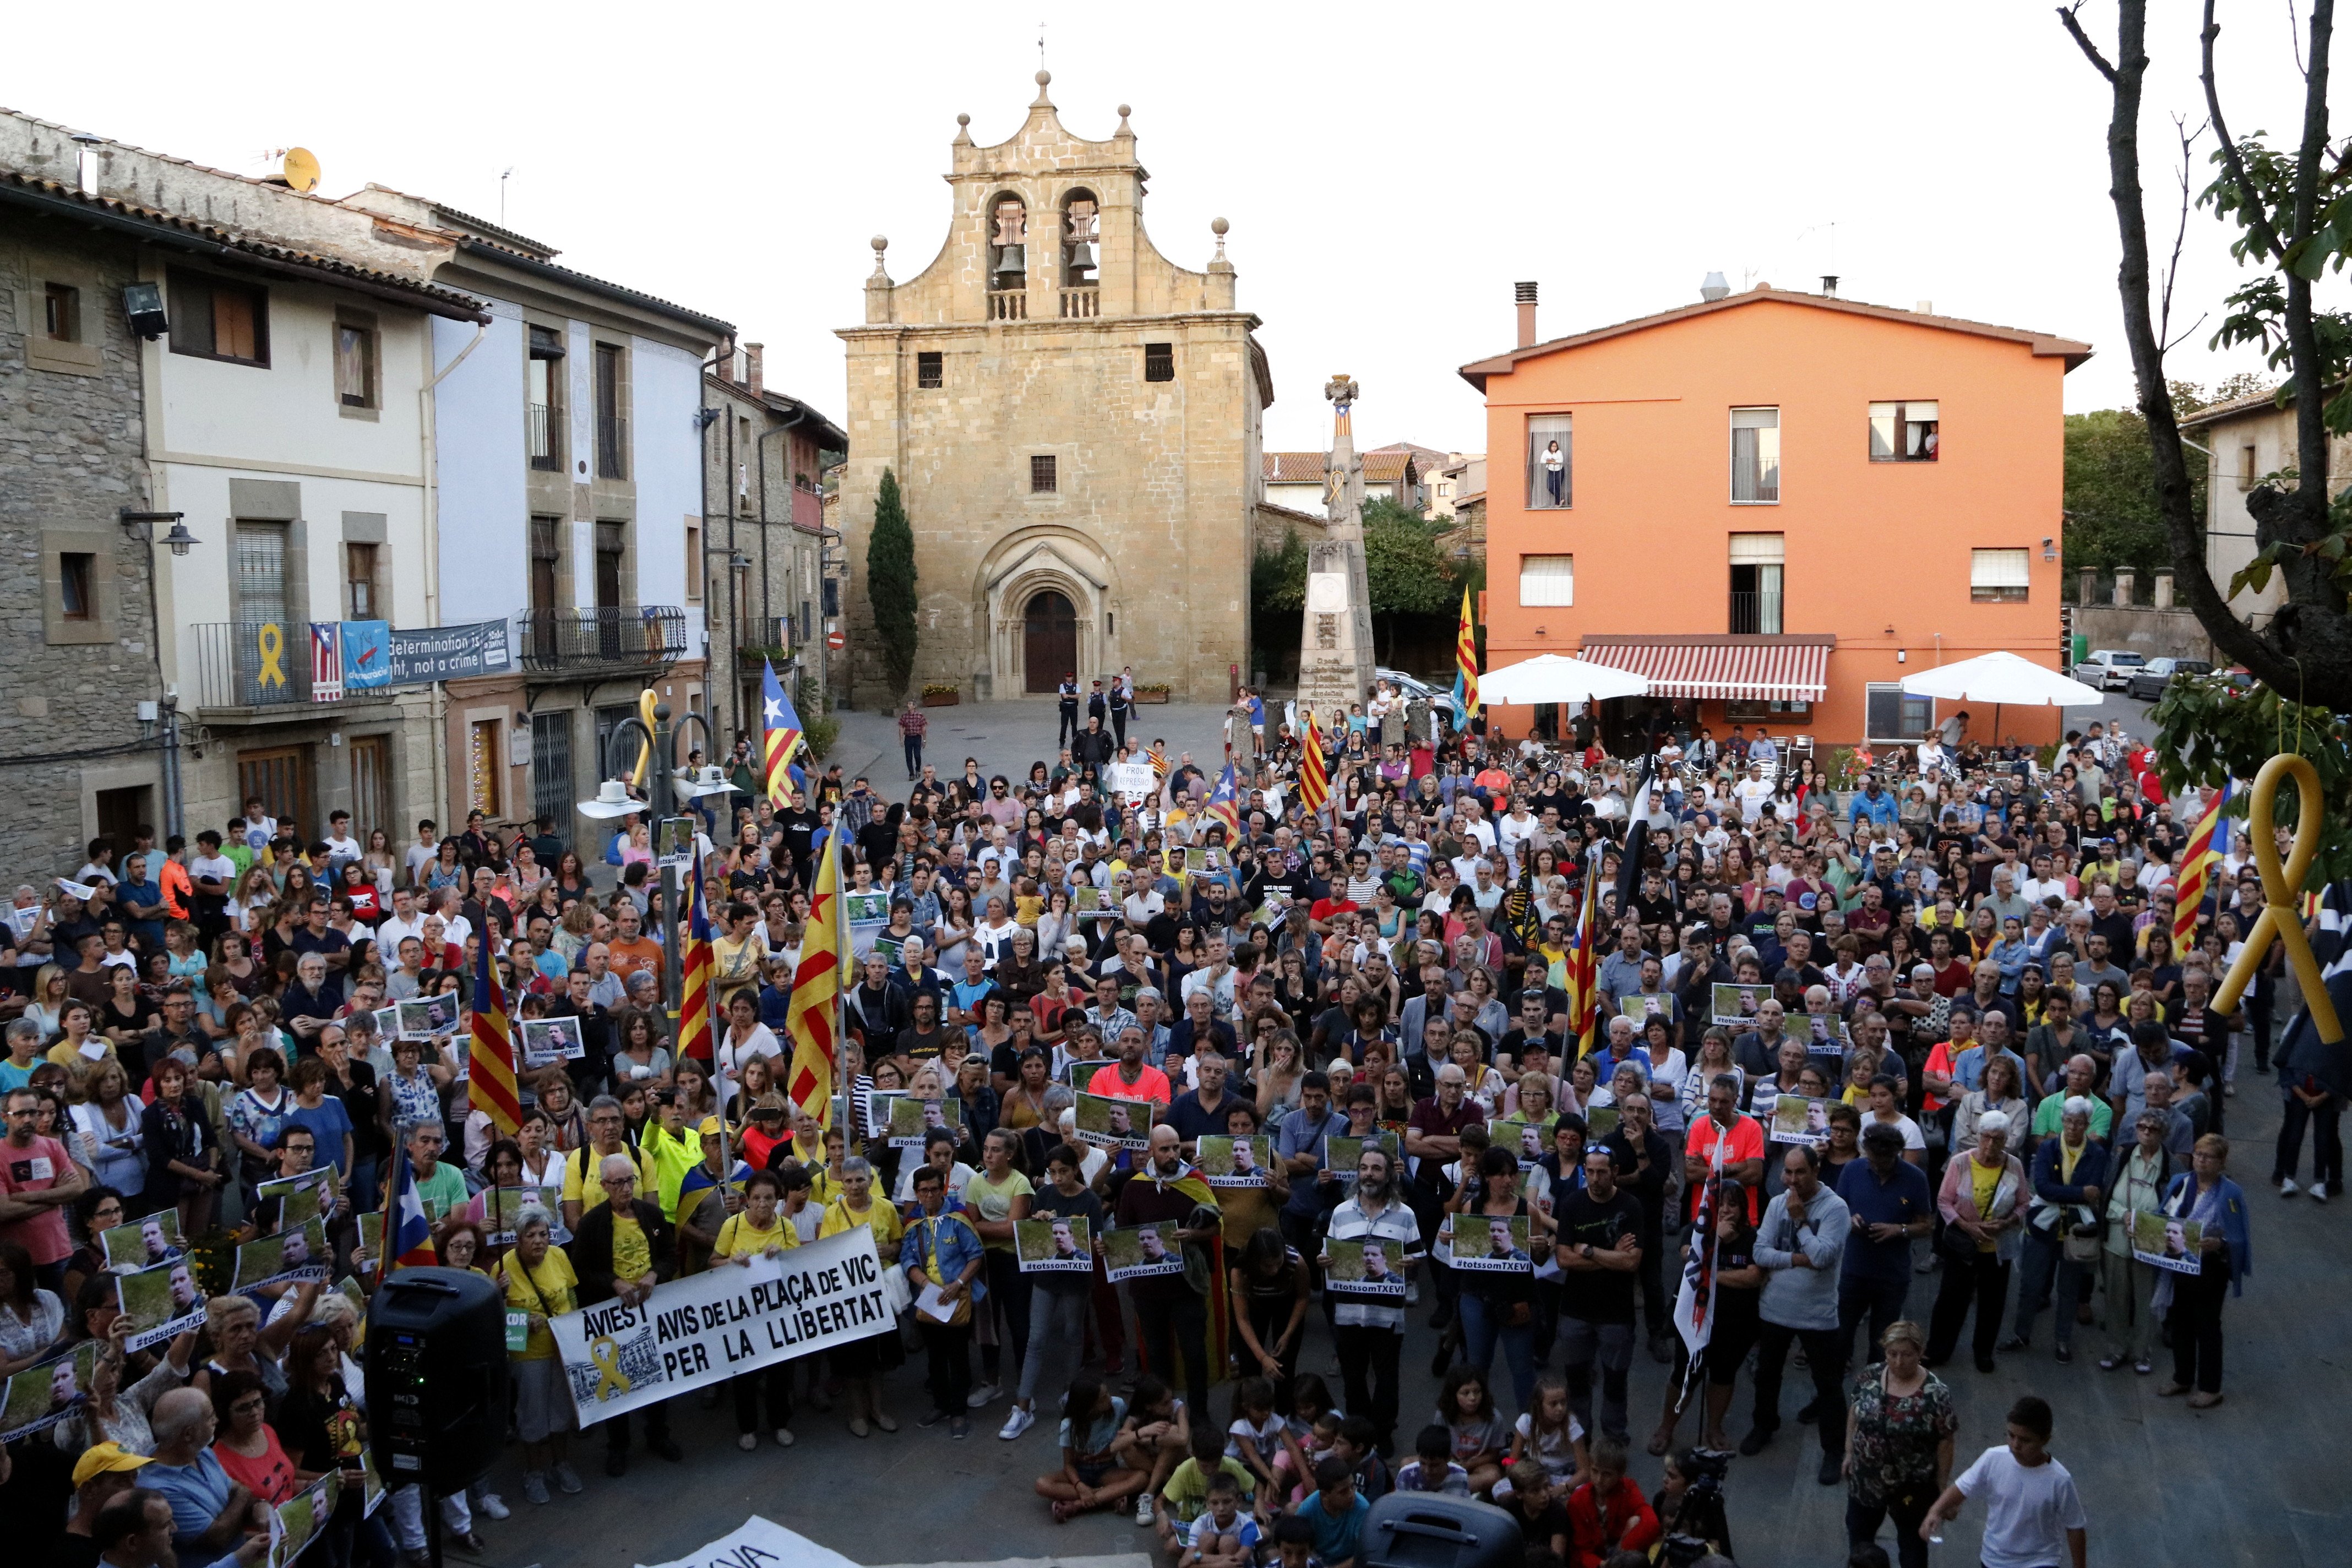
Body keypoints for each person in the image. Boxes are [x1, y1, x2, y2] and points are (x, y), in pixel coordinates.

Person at [1743, 1144, 1850, 1485]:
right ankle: (1764, 1426)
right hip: (1774, 1308)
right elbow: (1760, 1253)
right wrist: (1795, 1259)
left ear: (1816, 1171)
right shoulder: (1777, 1203)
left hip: (1818, 1314)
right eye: (1787, 1173)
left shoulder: (1836, 1209)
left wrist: (1801, 1222)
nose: (1792, 1181)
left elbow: (1823, 1258)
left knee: (1828, 1384)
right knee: (1767, 1374)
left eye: (1799, 1173)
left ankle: (1834, 1450)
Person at [569, 1153, 679, 1476]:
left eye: (630, 1180)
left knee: (656, 1376)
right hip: (613, 1316)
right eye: (618, 1183)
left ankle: (658, 1435)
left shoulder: (653, 1216)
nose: (626, 1188)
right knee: (617, 1381)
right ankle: (618, 1446)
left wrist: (655, 1273)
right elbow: (581, 1270)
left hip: (651, 1311)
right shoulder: (591, 1224)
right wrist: (613, 1282)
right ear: (604, 1186)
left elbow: (672, 1255)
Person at [1324, 1145, 1420, 1452]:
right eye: (1364, 1168)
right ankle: (1358, 1433)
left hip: (1388, 1315)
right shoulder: (1340, 1213)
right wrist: (1324, 1260)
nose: (1369, 1174)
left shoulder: (1405, 1216)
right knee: (1353, 1379)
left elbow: (1417, 1256)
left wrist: (1411, 1264)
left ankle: (1383, 1433)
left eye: (1377, 1169)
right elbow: (1329, 1254)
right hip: (1348, 1313)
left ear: (1389, 1174)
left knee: (1387, 1379)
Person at [1918, 1395, 2087, 1568]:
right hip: (1995, 1560)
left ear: (2045, 1440)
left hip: (2040, 1561)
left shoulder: (2060, 1480)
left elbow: (2075, 1526)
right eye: (2011, 1435)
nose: (2015, 1445)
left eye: (2025, 1440)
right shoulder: (1993, 1458)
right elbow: (1962, 1488)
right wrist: (1935, 1511)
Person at [1841, 1320, 1955, 1568]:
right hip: (1866, 1480)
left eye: (1907, 1355)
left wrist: (1942, 1487)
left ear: (1920, 1353)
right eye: (1892, 1354)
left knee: (1913, 1551)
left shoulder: (1936, 1393)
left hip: (1911, 1486)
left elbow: (1946, 1440)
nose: (1898, 1362)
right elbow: (1855, 1411)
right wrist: (1849, 1451)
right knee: (1860, 1546)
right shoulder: (1869, 1376)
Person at [2008, 1097, 2111, 1362]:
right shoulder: (2048, 1148)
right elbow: (2042, 1187)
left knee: (2069, 1290)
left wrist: (2066, 1193)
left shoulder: (2098, 1154)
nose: (2073, 1127)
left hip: (2076, 1231)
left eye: (2079, 1123)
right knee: (2031, 1285)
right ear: (2062, 1121)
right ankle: (2022, 1334)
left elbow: (2096, 1190)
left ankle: (2062, 1340)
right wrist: (2079, 1192)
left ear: (2087, 1125)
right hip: (2044, 1227)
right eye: (2068, 1121)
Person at [1924, 1110, 2024, 1374]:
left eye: (1998, 1139)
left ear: (2006, 1141)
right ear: (1978, 1136)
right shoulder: (1960, 1163)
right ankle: (1937, 1350)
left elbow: (2025, 1203)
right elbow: (1944, 1202)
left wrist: (2005, 1223)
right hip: (1962, 1245)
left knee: (1992, 1303)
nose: (1991, 1144)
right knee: (1950, 1300)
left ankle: (1983, 1352)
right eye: (1986, 1137)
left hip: (1996, 1248)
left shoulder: (2014, 1166)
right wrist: (1967, 1226)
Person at [2154, 1133, 2248, 1408]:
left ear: (2221, 1162)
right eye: (2198, 1154)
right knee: (2180, 1321)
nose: (2201, 1160)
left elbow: (2239, 1235)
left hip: (2210, 1269)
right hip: (2181, 1263)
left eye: (2208, 1157)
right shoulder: (2181, 1183)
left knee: (2207, 1327)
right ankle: (2182, 1377)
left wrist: (2220, 1244)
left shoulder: (2231, 1193)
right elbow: (2163, 1215)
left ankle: (2210, 1387)